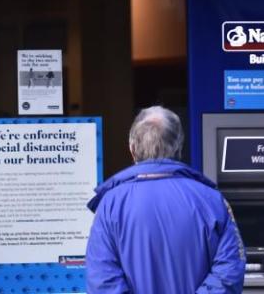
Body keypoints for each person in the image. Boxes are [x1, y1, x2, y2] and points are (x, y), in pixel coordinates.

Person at [85, 106, 245, 293]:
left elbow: (103, 281)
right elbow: (229, 271)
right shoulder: (212, 200)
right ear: (179, 147)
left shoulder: (110, 205)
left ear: (132, 148)